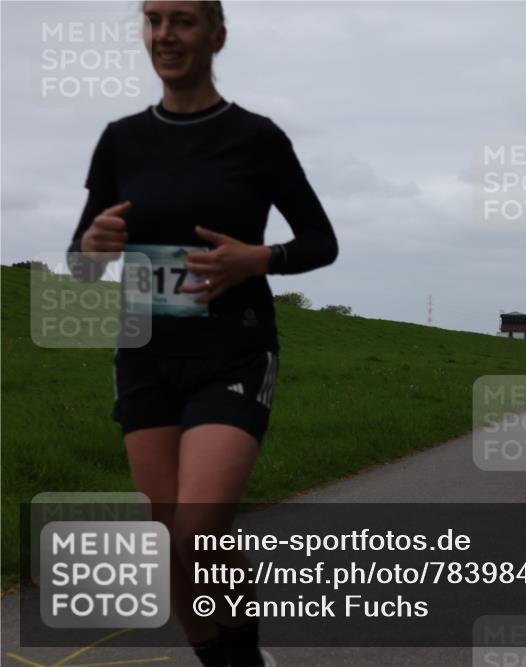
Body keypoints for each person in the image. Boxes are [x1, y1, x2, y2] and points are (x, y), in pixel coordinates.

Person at [67, 2, 337, 665]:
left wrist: (259, 258)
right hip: (145, 355)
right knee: (171, 544)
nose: (165, 34)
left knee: (196, 531)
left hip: (234, 349)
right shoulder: (121, 139)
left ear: (216, 35)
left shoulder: (256, 138)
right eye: (154, 19)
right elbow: (83, 261)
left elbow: (320, 241)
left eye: (182, 20)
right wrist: (91, 247)